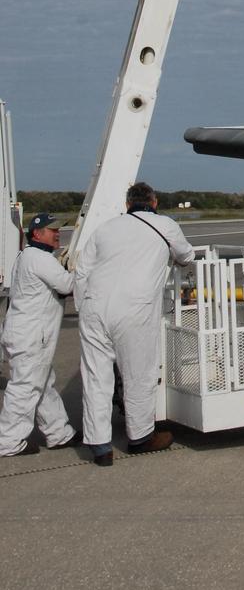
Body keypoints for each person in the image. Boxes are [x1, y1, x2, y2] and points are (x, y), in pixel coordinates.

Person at [75, 182, 194, 467]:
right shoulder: (164, 225)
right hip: (133, 309)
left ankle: (99, 445)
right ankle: (140, 437)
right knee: (139, 374)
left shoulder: (106, 228)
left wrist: (83, 306)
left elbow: (82, 269)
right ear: (153, 202)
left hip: (94, 306)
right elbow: (186, 256)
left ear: (127, 204)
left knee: (96, 377)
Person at [0, 213, 81, 457]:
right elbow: (68, 286)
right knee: (25, 387)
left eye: (58, 229)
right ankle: (9, 440)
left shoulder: (27, 256)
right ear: (37, 234)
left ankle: (59, 433)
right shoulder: (40, 259)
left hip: (22, 331)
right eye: (52, 230)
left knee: (43, 384)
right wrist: (77, 268)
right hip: (32, 335)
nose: (58, 233)